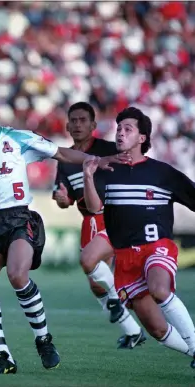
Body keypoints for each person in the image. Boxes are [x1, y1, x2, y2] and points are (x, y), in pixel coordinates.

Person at [0, 94, 125, 375]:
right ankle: (3, 356)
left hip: (19, 217)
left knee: (17, 275)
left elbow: (61, 152)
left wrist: (95, 159)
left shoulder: (17, 138)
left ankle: (43, 340)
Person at [82, 106, 195, 369]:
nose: (120, 133)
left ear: (142, 138)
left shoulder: (162, 173)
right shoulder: (105, 170)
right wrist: (88, 176)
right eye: (119, 128)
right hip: (124, 257)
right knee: (157, 330)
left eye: (127, 129)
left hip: (157, 247)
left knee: (159, 289)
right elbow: (94, 207)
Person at [53, 102, 145, 349]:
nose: (78, 124)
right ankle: (133, 331)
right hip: (89, 222)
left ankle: (120, 302)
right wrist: (62, 199)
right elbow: (65, 197)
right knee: (96, 285)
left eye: (83, 120)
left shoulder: (108, 149)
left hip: (114, 217)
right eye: (74, 120)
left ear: (94, 125)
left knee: (98, 270)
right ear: (67, 126)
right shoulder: (65, 160)